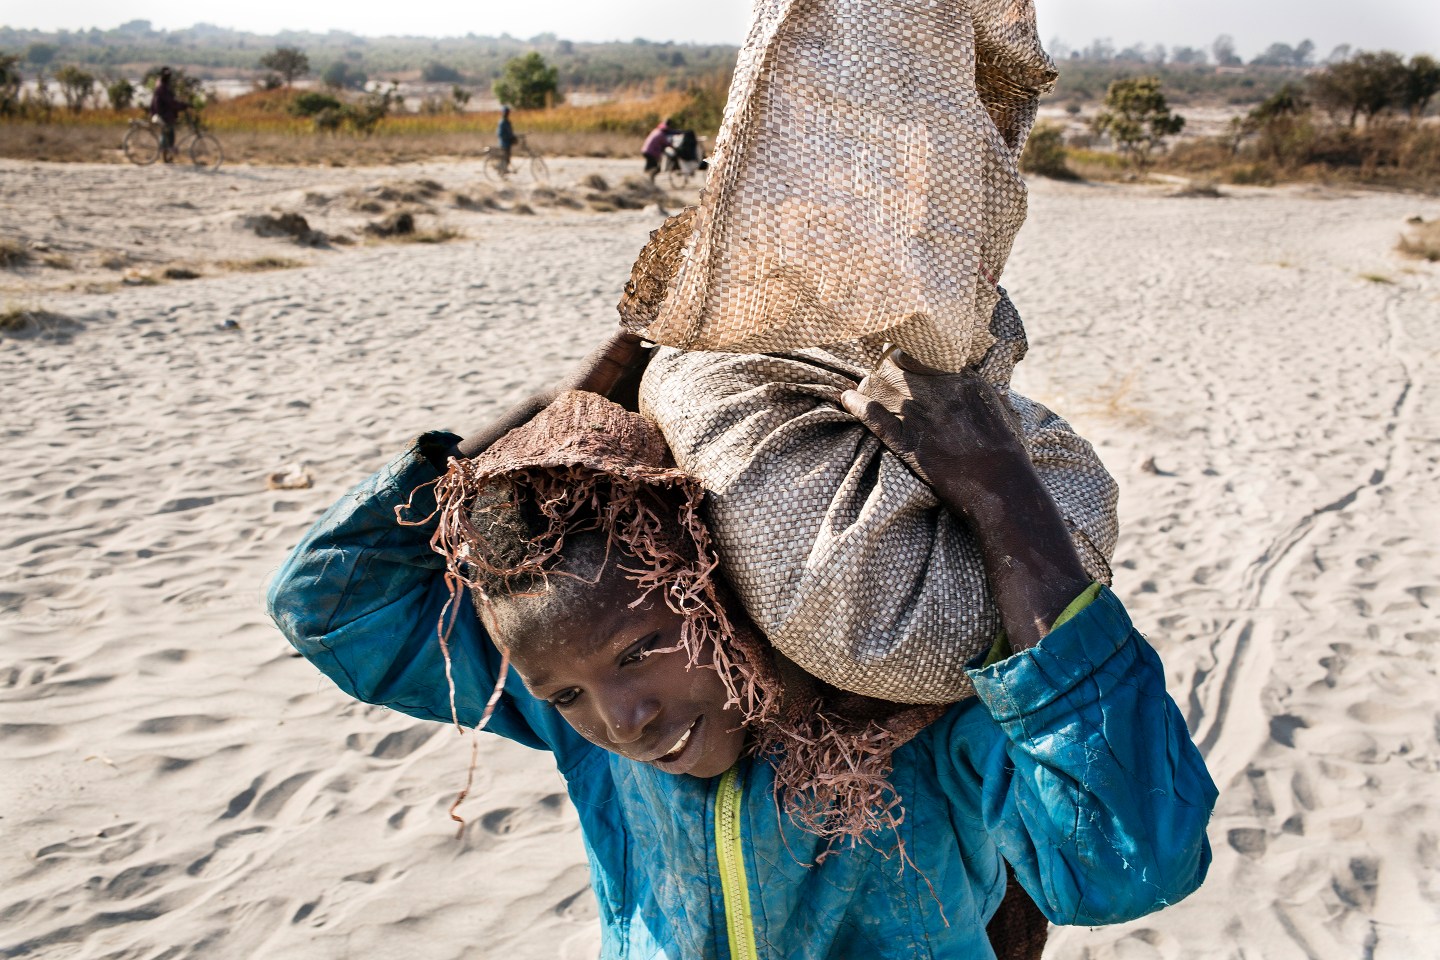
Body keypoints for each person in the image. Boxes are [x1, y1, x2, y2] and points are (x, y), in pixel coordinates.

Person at [268, 330, 1217, 959]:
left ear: (713, 591)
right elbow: (321, 602)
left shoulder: (920, 729)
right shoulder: (577, 729)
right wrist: (552, 415)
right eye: (566, 694)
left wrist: (1002, 492)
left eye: (638, 649)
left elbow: (1129, 863)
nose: (622, 721)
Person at [149, 67, 188, 164]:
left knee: (168, 134)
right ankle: (164, 152)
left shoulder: (161, 86)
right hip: (163, 115)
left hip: (163, 114)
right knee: (169, 133)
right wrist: (183, 106)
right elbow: (170, 102)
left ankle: (167, 156)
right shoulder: (162, 88)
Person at [641, 117, 674, 182]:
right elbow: (667, 143)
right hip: (651, 152)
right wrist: (673, 146)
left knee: (649, 167)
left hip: (645, 150)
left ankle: (646, 180)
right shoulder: (661, 135)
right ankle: (650, 180)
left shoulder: (655, 131)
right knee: (656, 168)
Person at [496, 105, 518, 174]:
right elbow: (500, 133)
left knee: (507, 158)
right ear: (503, 113)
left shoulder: (507, 122)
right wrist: (509, 137)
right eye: (505, 113)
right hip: (504, 143)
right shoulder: (502, 122)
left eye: (507, 113)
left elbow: (510, 132)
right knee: (505, 158)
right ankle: (501, 170)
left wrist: (513, 137)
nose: (507, 114)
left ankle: (503, 170)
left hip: (508, 143)